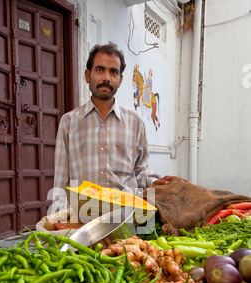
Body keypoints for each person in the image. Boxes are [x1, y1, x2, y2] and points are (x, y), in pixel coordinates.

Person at [53, 43, 186, 210]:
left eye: (113, 72)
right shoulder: (69, 122)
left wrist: (154, 181)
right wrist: (58, 219)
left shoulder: (135, 122)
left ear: (120, 80)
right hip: (84, 216)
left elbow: (140, 171)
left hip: (126, 217)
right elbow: (60, 180)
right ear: (88, 75)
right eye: (100, 70)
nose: (106, 78)